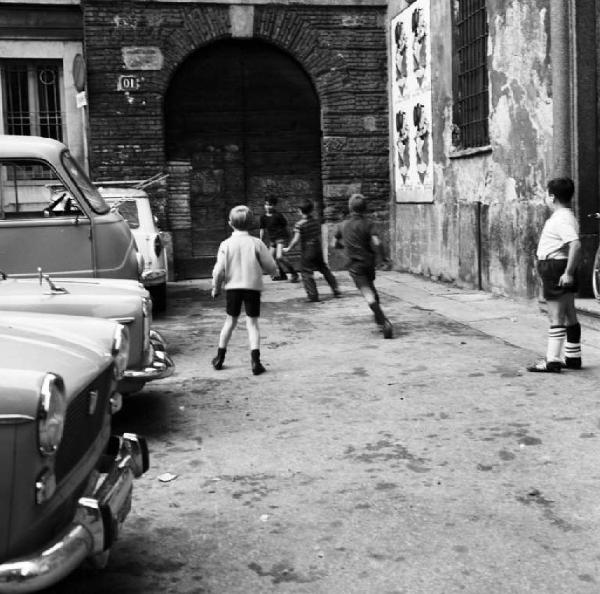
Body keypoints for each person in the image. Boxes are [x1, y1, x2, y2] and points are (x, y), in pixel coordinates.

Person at [211, 205, 278, 375]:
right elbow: (270, 265)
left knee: (230, 322)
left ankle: (219, 358)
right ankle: (255, 362)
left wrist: (216, 288)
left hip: (233, 288)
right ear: (252, 224)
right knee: (252, 324)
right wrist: (273, 273)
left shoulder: (225, 244)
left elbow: (218, 271)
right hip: (252, 288)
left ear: (230, 223)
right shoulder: (257, 243)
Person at [527, 177, 582, 372]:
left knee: (556, 316)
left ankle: (552, 361)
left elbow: (575, 244)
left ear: (552, 197)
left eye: (546, 193)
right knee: (569, 314)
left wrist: (567, 273)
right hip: (559, 266)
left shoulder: (560, 219)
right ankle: (573, 357)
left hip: (555, 268)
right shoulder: (569, 216)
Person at [334, 193, 393, 339]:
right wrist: (384, 258)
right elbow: (377, 242)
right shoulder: (368, 224)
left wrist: (345, 246)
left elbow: (334, 243)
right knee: (371, 287)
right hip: (368, 263)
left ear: (349, 208)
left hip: (355, 265)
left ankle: (385, 323)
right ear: (365, 209)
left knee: (368, 294)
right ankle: (379, 320)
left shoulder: (342, 225)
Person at [283, 198, 340, 302]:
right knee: (324, 269)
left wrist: (288, 248)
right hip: (317, 248)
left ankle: (313, 295)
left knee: (306, 272)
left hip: (307, 251)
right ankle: (336, 289)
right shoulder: (316, 222)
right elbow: (319, 236)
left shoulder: (299, 224)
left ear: (300, 210)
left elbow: (296, 239)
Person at [259, 197, 299, 282]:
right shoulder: (263, 217)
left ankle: (294, 273)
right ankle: (282, 275)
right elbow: (262, 229)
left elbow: (286, 227)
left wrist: (289, 238)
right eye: (266, 204)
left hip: (281, 238)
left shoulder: (278, 216)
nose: (267, 207)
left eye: (270, 205)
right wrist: (260, 240)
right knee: (270, 258)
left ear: (274, 206)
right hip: (273, 240)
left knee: (279, 256)